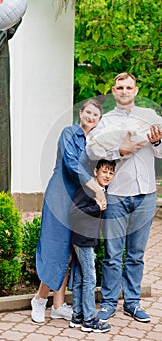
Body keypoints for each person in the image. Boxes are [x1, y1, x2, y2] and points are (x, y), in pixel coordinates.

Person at [79, 73, 162, 323]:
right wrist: (119, 150)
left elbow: (161, 153)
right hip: (117, 194)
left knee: (136, 254)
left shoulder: (149, 118)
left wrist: (157, 140)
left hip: (146, 193)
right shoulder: (106, 121)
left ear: (136, 90)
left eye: (129, 87)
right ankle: (108, 303)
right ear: (114, 91)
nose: (125, 91)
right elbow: (93, 151)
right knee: (113, 254)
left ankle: (132, 303)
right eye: (120, 87)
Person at [31, 99, 105, 323]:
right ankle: (39, 299)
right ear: (80, 113)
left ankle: (58, 305)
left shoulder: (93, 141)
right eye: (88, 112)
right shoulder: (69, 133)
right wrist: (97, 189)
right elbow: (71, 165)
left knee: (71, 251)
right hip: (60, 196)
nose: (91, 117)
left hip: (79, 200)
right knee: (56, 248)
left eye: (96, 115)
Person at [69, 159, 116, 333]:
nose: (107, 175)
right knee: (90, 278)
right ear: (96, 171)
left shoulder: (102, 191)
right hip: (83, 239)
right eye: (104, 171)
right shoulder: (88, 189)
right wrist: (96, 208)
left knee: (82, 277)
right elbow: (73, 212)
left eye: (111, 173)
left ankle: (78, 315)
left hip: (87, 239)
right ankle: (89, 319)